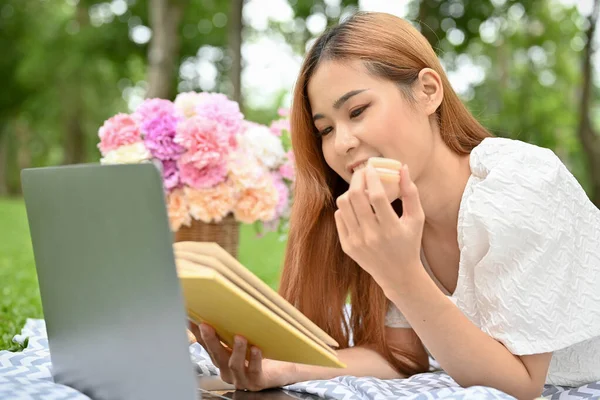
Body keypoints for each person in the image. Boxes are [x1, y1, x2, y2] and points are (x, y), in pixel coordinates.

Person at [189, 11, 600, 399]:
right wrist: (281, 369)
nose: (342, 142)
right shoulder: (392, 213)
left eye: (358, 110)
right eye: (326, 129)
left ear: (428, 91)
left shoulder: (520, 183)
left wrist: (401, 273)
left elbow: (520, 386)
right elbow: (403, 358)